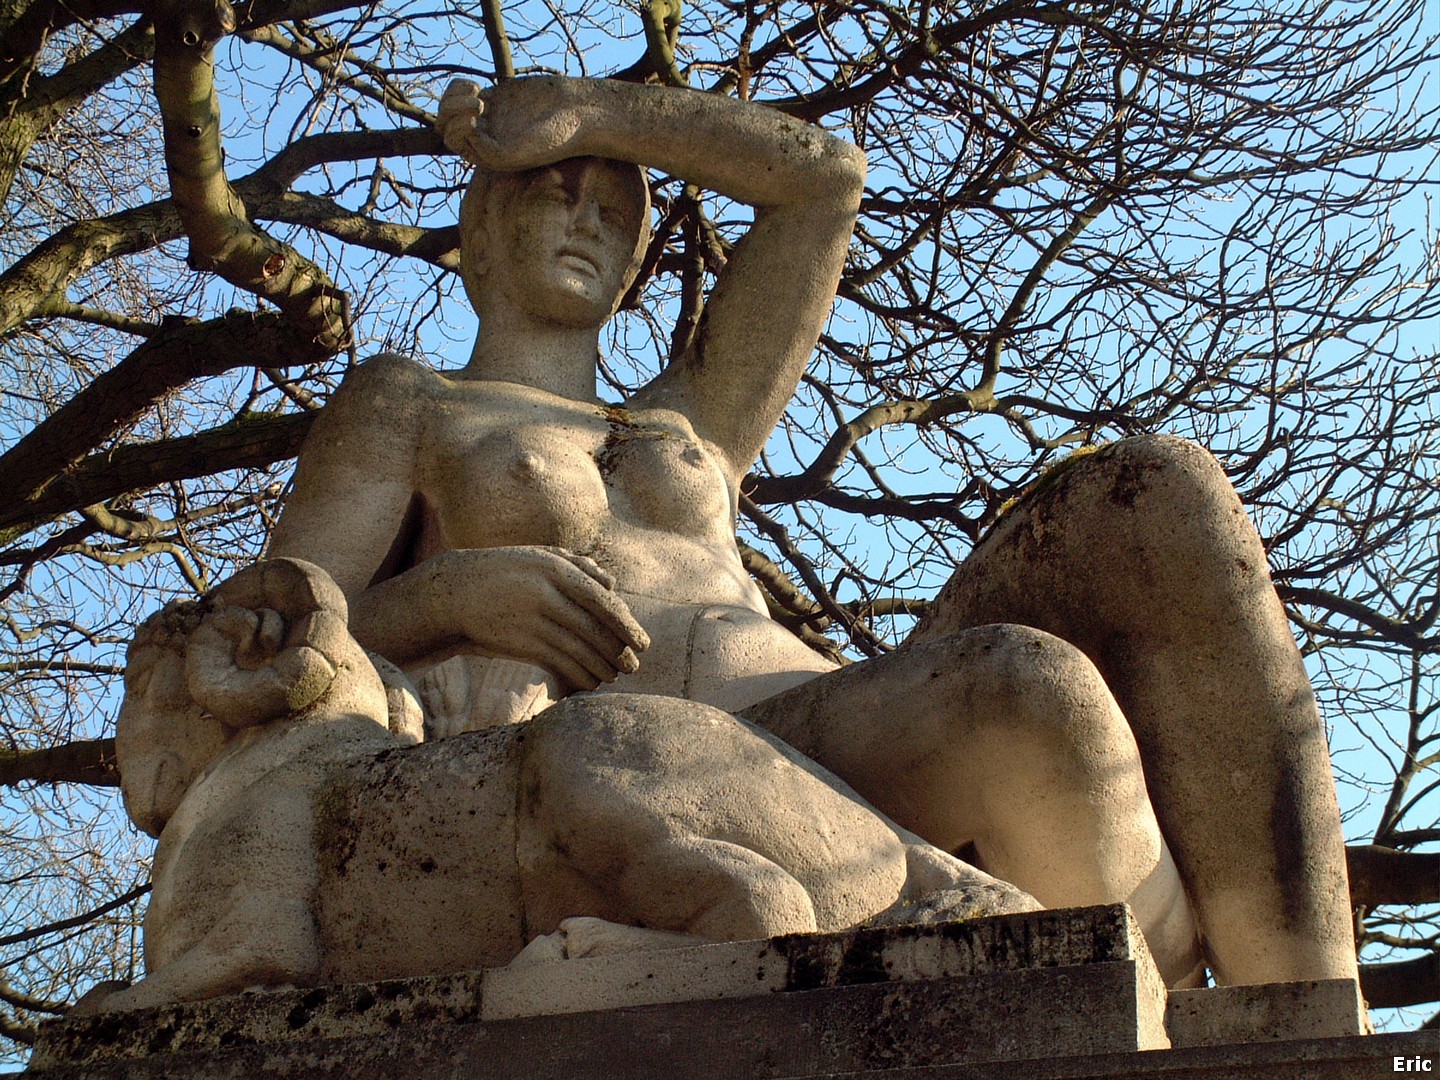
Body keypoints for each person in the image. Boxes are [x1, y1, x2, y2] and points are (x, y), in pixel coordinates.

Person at [264, 75, 1356, 989]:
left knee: (1158, 496)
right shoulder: (409, 403)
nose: (588, 212)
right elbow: (268, 651)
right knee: (1034, 692)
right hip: (651, 789)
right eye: (554, 191)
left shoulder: (690, 419)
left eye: (613, 203)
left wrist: (590, 112)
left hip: (827, 731)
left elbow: (823, 181)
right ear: (481, 230)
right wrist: (455, 598)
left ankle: (1304, 1016)